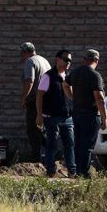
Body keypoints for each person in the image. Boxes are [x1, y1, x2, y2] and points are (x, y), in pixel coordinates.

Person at [66, 49, 107, 178]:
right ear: (97, 60)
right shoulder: (94, 75)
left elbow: (65, 85)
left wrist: (72, 97)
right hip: (90, 114)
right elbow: (99, 98)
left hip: (77, 113)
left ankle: (78, 170)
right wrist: (104, 117)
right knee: (87, 145)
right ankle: (83, 173)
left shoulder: (75, 72)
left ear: (84, 59)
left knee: (78, 143)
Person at [35, 50, 75, 178]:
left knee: (69, 143)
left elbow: (71, 95)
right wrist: (39, 114)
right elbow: (40, 96)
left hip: (67, 117)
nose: (68, 63)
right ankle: (51, 171)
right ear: (57, 59)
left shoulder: (68, 76)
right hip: (52, 117)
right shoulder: (48, 76)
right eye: (66, 59)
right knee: (52, 144)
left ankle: (72, 171)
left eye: (70, 60)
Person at [19, 42, 50, 162]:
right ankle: (52, 154)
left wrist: (23, 98)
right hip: (46, 99)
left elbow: (29, 81)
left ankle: (36, 159)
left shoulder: (30, 61)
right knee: (42, 128)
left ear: (25, 52)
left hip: (34, 100)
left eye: (21, 53)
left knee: (33, 130)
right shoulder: (44, 61)